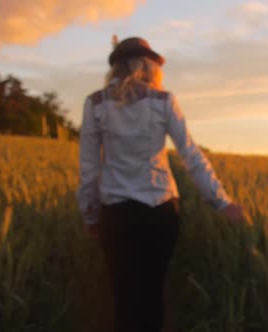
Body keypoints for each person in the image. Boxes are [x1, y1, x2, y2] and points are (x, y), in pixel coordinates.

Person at [76, 36, 244, 332]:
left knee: (123, 297)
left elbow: (89, 169)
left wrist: (90, 215)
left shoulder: (95, 104)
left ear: (116, 68)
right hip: (160, 211)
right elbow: (190, 155)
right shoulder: (164, 101)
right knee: (153, 293)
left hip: (115, 214)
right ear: (147, 65)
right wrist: (222, 202)